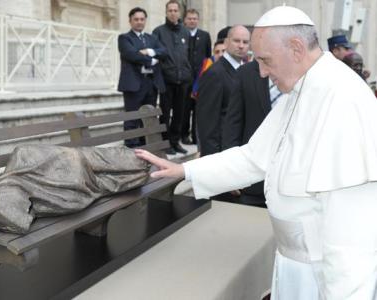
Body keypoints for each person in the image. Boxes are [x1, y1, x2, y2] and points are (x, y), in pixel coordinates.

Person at [136, 5, 377, 300]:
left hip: (321, 278)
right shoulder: (303, 88)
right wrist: (184, 170)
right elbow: (254, 157)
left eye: (265, 60)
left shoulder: (343, 98)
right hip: (294, 264)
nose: (261, 71)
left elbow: (352, 241)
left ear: (297, 48)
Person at [224, 59, 277, 208]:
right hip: (253, 183)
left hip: (291, 186)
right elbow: (233, 123)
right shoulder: (245, 73)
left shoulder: (303, 72)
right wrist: (231, 170)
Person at [196, 25, 250, 157]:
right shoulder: (214, 74)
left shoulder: (247, 71)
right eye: (236, 41)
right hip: (221, 153)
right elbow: (207, 124)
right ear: (226, 43)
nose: (241, 46)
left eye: (245, 42)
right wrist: (213, 159)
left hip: (240, 150)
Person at [117, 7, 167, 148]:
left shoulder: (152, 38)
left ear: (145, 20)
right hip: (133, 83)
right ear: (130, 21)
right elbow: (131, 54)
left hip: (151, 83)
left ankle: (146, 145)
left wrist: (150, 51)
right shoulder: (124, 38)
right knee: (132, 117)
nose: (139, 22)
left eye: (142, 19)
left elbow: (164, 52)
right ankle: (131, 147)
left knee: (149, 116)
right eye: (136, 19)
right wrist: (151, 60)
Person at [153, 0, 192, 155]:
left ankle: (175, 142)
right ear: (166, 12)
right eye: (170, 10)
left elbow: (188, 55)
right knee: (164, 113)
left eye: (175, 10)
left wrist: (188, 74)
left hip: (183, 80)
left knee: (179, 114)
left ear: (180, 12)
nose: (173, 13)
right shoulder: (158, 31)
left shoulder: (185, 32)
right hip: (166, 80)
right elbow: (156, 55)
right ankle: (165, 143)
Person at [181, 8, 212, 146]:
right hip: (185, 77)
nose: (192, 21)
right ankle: (183, 135)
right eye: (189, 18)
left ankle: (195, 136)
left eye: (194, 18)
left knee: (198, 108)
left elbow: (208, 57)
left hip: (200, 78)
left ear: (198, 20)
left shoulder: (205, 36)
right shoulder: (181, 34)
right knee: (184, 108)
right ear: (185, 20)